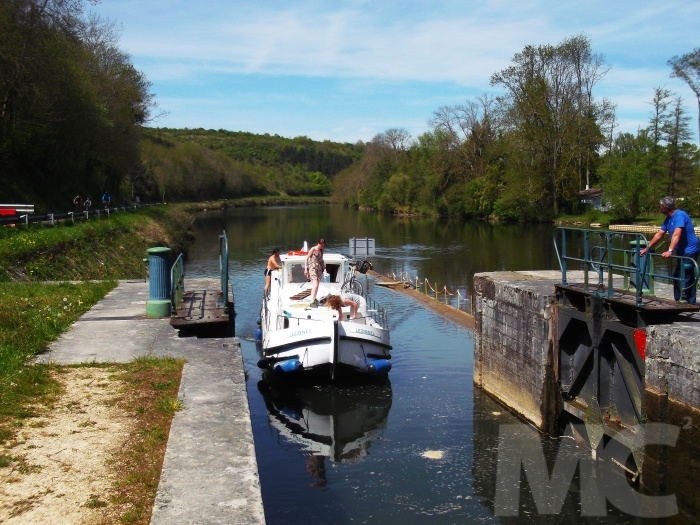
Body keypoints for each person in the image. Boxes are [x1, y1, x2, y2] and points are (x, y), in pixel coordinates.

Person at [640, 196, 700, 303]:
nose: (659, 208)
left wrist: (670, 250)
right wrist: (647, 248)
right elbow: (659, 234)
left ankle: (684, 301)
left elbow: (677, 234)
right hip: (682, 250)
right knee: (682, 274)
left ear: (665, 207)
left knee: (684, 274)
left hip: (690, 250)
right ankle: (686, 301)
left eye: (660, 206)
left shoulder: (680, 215)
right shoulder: (668, 218)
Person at [304, 238, 326, 307]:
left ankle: (314, 298)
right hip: (312, 268)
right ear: (318, 243)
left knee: (317, 284)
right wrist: (305, 269)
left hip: (319, 269)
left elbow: (321, 260)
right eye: (321, 245)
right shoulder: (313, 249)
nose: (322, 246)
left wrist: (324, 268)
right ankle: (311, 301)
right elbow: (306, 258)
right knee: (315, 284)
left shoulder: (322, 250)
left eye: (323, 245)